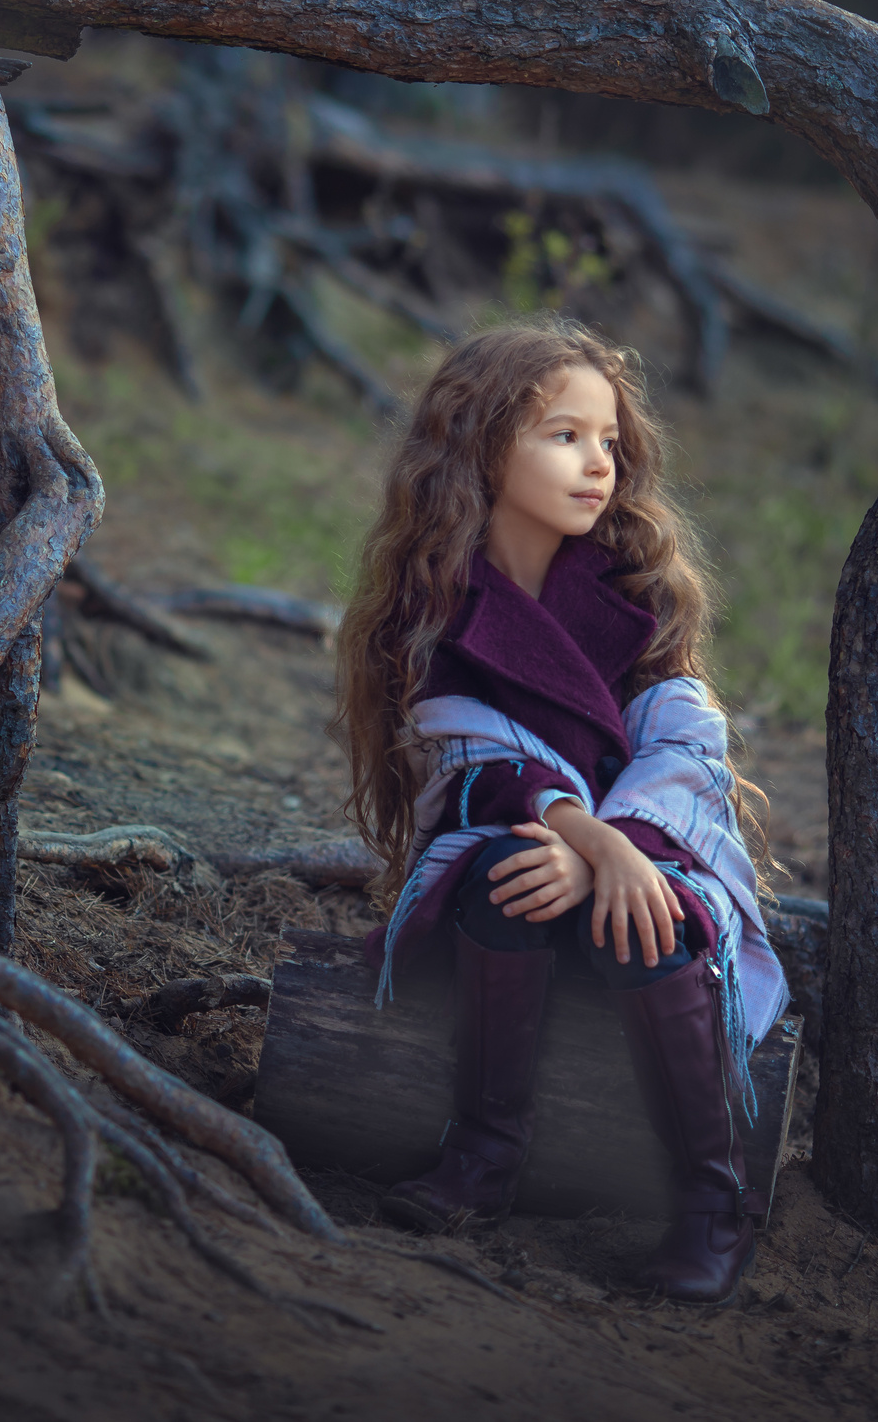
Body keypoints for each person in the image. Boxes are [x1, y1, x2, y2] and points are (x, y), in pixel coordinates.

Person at [332, 318, 786, 1305]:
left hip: (649, 858)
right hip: (536, 867)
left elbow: (682, 741)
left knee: (651, 918)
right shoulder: (434, 607)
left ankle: (714, 1200)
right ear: (483, 447)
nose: (597, 466)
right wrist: (581, 845)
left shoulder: (636, 592)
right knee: (506, 878)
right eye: (563, 436)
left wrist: (618, 851)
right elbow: (471, 760)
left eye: (610, 443)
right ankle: (485, 1152)